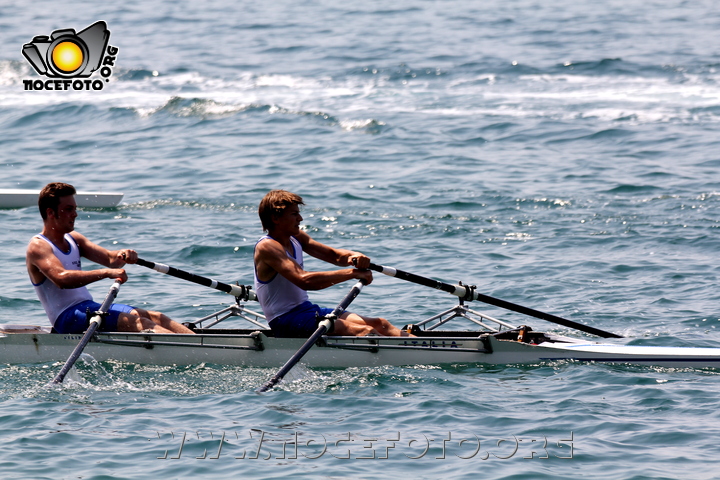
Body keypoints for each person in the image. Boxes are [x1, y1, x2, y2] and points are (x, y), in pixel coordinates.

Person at [26, 182, 194, 335]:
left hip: (89, 308)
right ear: (50, 213)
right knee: (141, 323)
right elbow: (61, 279)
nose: (75, 214)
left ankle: (199, 343)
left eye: (75, 208)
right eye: (69, 209)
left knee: (155, 317)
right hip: (67, 317)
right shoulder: (38, 246)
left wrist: (123, 254)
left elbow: (110, 258)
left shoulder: (74, 238)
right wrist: (106, 273)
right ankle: (193, 353)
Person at [253, 189, 412, 338]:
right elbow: (304, 280)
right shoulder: (267, 247)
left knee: (380, 324)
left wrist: (353, 256)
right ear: (275, 218)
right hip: (285, 321)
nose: (300, 219)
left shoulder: (296, 237)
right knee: (365, 331)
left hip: (308, 310)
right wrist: (353, 273)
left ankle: (425, 346)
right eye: (294, 214)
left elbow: (334, 255)